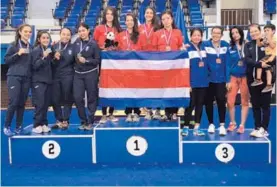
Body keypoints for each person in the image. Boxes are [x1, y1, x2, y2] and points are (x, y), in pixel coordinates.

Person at [244, 23, 276, 137]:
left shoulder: (267, 43)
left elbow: (273, 59)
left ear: (260, 31)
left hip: (267, 79)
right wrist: (259, 64)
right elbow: (247, 60)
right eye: (251, 32)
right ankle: (257, 127)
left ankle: (264, 128)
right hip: (252, 79)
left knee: (265, 105)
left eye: (255, 31)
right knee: (256, 104)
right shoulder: (248, 45)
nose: (253, 33)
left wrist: (264, 65)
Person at [152, 10, 184, 121]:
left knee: (174, 88)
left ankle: (174, 112)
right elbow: (154, 50)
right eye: (163, 19)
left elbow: (181, 47)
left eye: (168, 18)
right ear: (161, 21)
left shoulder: (178, 32)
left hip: (175, 66)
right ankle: (166, 112)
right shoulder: (157, 33)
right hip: (162, 66)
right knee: (164, 89)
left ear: (172, 19)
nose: (166, 21)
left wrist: (180, 49)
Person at [93, 6, 121, 124]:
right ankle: (104, 114)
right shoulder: (99, 28)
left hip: (114, 62)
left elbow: (120, 45)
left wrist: (115, 47)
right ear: (105, 15)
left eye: (111, 14)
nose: (109, 16)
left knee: (114, 87)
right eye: (107, 14)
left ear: (114, 16)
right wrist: (101, 48)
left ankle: (111, 113)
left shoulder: (118, 29)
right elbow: (93, 44)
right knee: (104, 86)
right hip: (102, 61)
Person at [3, 24, 32, 136]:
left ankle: (19, 127)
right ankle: (6, 126)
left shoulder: (31, 46)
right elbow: (6, 60)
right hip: (14, 77)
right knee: (13, 102)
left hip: (26, 78)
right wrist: (17, 54)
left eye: (29, 32)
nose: (28, 33)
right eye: (25, 31)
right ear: (20, 32)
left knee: (21, 103)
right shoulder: (13, 45)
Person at [73, 23, 100, 130]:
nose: (81, 33)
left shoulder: (93, 44)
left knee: (92, 98)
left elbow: (97, 60)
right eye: (79, 31)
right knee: (77, 97)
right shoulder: (75, 43)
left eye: (83, 30)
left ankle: (90, 121)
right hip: (78, 74)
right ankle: (83, 120)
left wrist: (87, 61)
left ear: (88, 31)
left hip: (91, 73)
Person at [203, 26, 230, 136]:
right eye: (214, 33)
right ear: (211, 33)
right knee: (208, 101)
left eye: (218, 33)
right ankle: (211, 124)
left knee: (221, 101)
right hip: (208, 79)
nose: (216, 35)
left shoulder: (225, 45)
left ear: (221, 35)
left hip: (221, 79)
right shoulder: (205, 45)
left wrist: (227, 79)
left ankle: (222, 125)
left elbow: (227, 64)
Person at [181, 28, 208, 136]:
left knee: (200, 105)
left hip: (203, 82)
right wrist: (187, 84)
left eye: (199, 35)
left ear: (201, 36)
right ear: (191, 36)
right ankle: (186, 127)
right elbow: (184, 68)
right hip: (191, 83)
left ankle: (197, 127)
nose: (197, 37)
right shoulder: (187, 49)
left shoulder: (205, 48)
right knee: (190, 105)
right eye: (194, 35)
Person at [117, 13, 142, 122]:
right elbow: (116, 49)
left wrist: (135, 52)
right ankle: (128, 112)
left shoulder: (139, 35)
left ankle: (136, 112)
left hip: (136, 67)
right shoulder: (120, 35)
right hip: (125, 67)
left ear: (134, 22)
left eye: (131, 20)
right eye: (127, 20)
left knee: (136, 90)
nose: (129, 22)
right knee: (126, 90)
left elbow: (143, 50)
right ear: (125, 22)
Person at [138, 6, 161, 120]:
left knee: (156, 85)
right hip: (143, 59)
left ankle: (156, 109)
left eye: (151, 13)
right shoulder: (139, 27)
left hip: (155, 59)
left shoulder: (157, 28)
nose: (149, 15)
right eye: (147, 13)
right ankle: (147, 110)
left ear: (153, 15)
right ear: (144, 14)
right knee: (145, 86)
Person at [226, 26, 249, 134]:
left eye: (236, 32)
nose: (235, 34)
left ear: (240, 32)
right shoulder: (229, 47)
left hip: (245, 76)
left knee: (245, 101)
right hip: (233, 77)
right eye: (232, 33)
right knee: (230, 101)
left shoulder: (247, 44)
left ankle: (242, 125)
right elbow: (227, 64)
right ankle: (233, 122)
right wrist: (227, 80)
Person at [51, 28, 75, 129]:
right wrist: (54, 58)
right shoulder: (54, 46)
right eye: (63, 34)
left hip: (68, 75)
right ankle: (58, 120)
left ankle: (65, 120)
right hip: (55, 76)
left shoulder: (73, 47)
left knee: (67, 98)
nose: (65, 36)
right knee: (55, 99)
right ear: (60, 34)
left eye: (68, 35)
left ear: (70, 36)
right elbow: (50, 63)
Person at [31, 31, 53, 134]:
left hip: (47, 81)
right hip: (38, 81)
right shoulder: (36, 50)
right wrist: (43, 57)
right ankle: (37, 125)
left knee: (45, 104)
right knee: (39, 104)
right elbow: (34, 66)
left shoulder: (48, 50)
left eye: (47, 38)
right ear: (39, 39)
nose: (45, 40)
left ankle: (44, 123)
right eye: (43, 38)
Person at [251, 23, 276, 93]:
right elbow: (259, 45)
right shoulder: (265, 38)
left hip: (273, 55)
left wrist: (268, 37)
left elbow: (273, 46)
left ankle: (269, 84)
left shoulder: (274, 38)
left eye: (268, 30)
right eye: (265, 31)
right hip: (267, 56)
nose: (266, 32)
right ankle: (259, 79)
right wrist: (258, 38)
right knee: (260, 65)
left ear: (273, 31)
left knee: (268, 70)